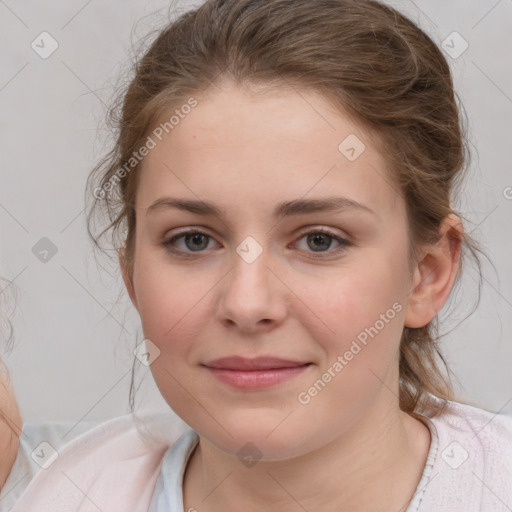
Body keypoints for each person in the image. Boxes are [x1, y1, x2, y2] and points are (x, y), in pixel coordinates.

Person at [11, 0, 512, 510]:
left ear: (427, 275)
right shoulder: (63, 493)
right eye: (194, 240)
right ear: (132, 275)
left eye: (320, 240)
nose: (247, 304)